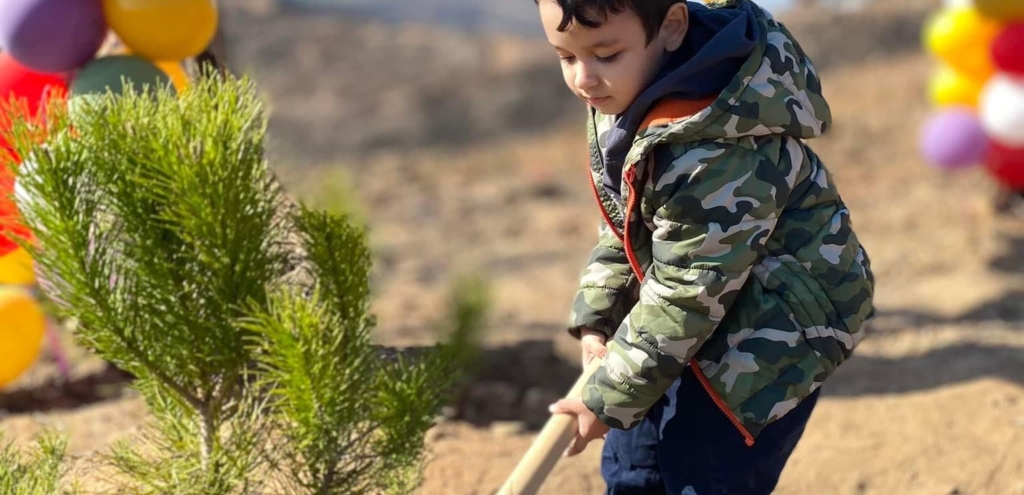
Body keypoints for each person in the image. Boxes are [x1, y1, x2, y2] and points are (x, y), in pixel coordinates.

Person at [534, 0, 876, 493]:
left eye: (605, 55)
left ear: (671, 28)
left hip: (761, 345)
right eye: (566, 57)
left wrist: (608, 395)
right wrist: (600, 315)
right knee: (634, 469)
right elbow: (628, 225)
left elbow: (689, 289)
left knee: (705, 473)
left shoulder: (712, 151)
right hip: (670, 331)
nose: (583, 78)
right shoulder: (630, 100)